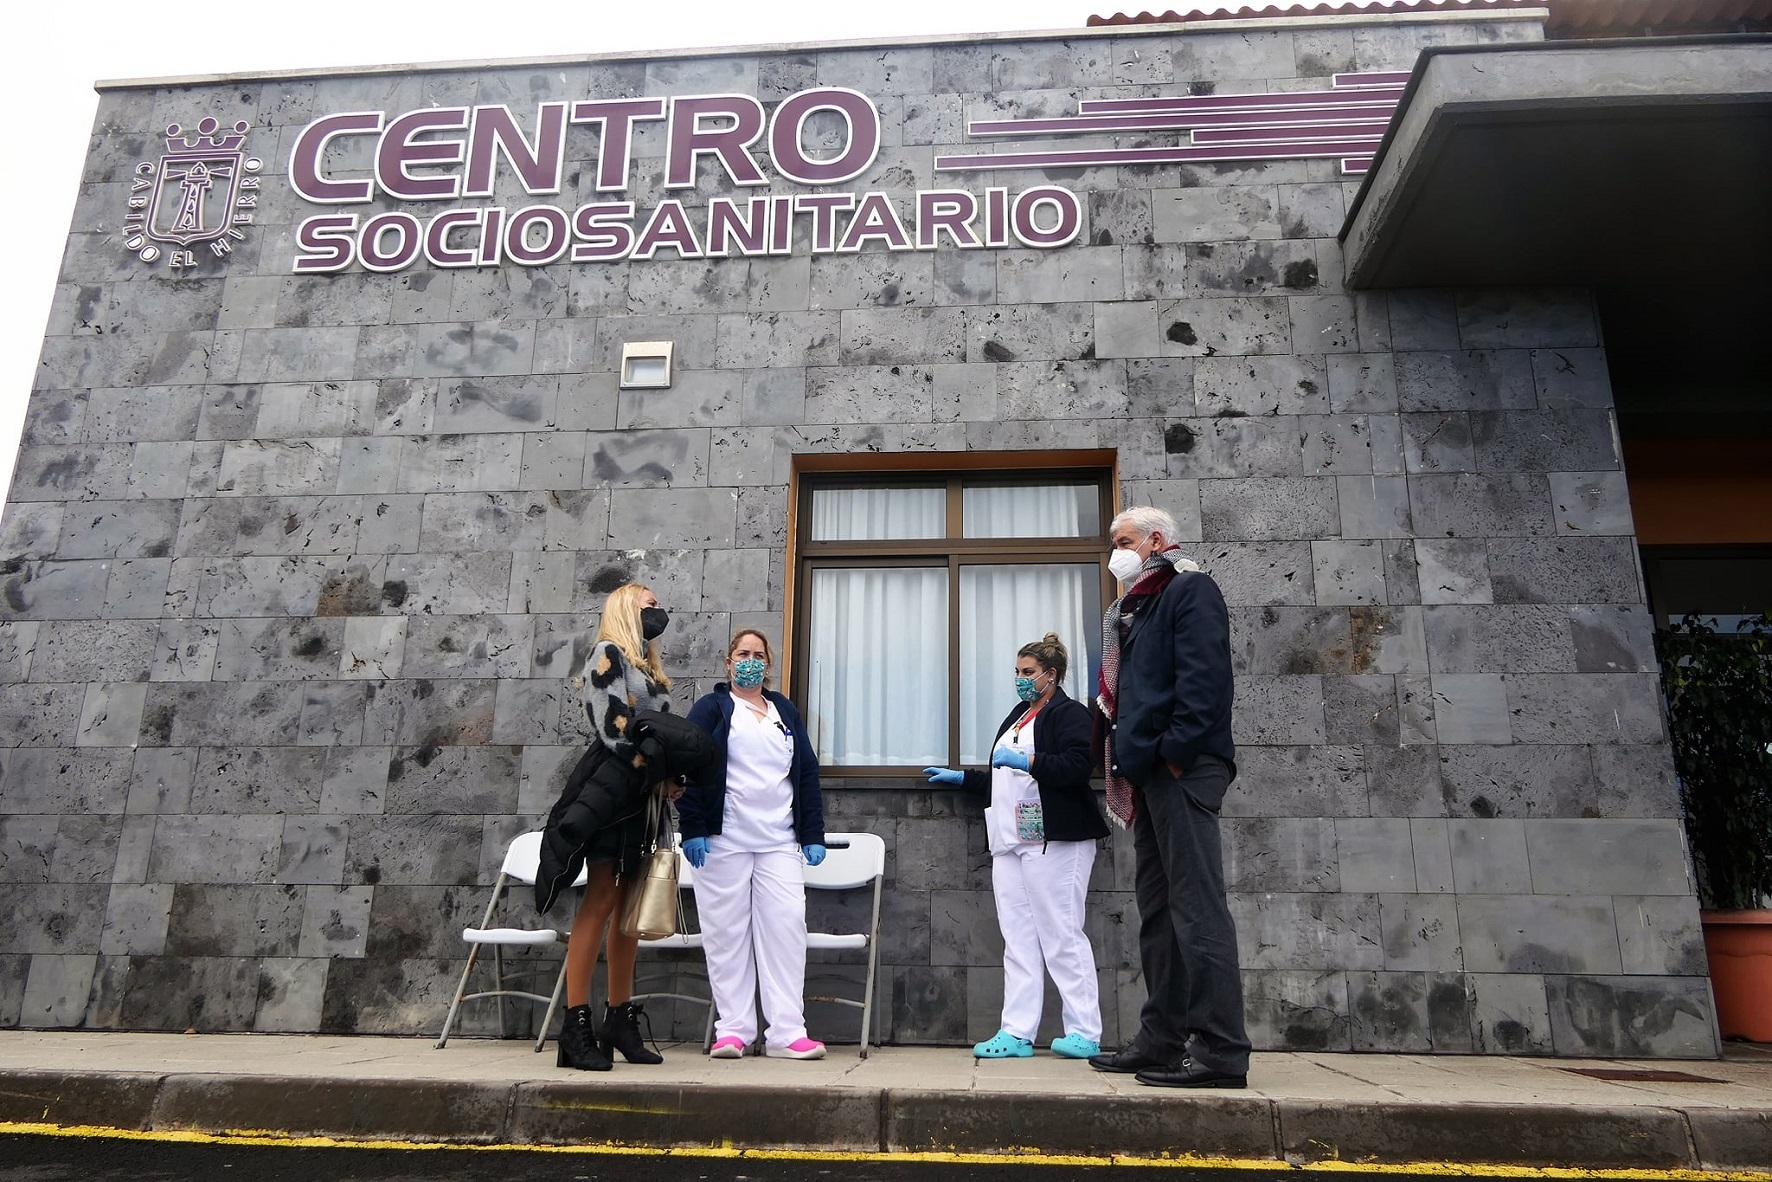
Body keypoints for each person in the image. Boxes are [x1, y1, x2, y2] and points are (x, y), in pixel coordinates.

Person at [1088, 506, 1251, 1089]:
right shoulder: (1137, 607)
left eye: (1123, 541)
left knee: (1196, 908)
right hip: (1149, 774)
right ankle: (1161, 1040)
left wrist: (1173, 752)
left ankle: (1221, 1051)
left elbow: (1206, 682)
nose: (1115, 552)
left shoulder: (1189, 590)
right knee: (1159, 911)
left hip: (1181, 769)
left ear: (1156, 540)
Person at [924, 632, 1110, 1060]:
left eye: (1029, 672)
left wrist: (1030, 761)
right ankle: (1017, 1032)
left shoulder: (1069, 713)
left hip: (1055, 840)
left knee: (1062, 933)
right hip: (1011, 840)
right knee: (1018, 938)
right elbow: (1003, 778)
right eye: (1017, 671)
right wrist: (966, 779)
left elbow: (1078, 765)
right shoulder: (1018, 716)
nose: (1021, 679)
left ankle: (1085, 1031)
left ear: (1051, 674)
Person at [543, 582, 678, 1072]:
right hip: (614, 790)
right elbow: (612, 727)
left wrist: (672, 776)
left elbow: (662, 734)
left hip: (643, 797)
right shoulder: (607, 653)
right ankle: (575, 1023)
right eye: (650, 605)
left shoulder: (649, 669)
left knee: (628, 910)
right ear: (625, 607)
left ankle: (618, 1018)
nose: (658, 611)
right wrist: (655, 768)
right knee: (600, 899)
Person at [679, 629, 829, 1060]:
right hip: (723, 839)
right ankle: (734, 1031)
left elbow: (805, 773)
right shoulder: (712, 708)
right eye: (742, 654)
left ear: (768, 664)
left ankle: (787, 1033)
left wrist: (812, 834)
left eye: (758, 655)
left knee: (786, 929)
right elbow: (686, 765)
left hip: (778, 840)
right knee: (726, 934)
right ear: (729, 662)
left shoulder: (784, 710)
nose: (750, 661)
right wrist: (692, 827)